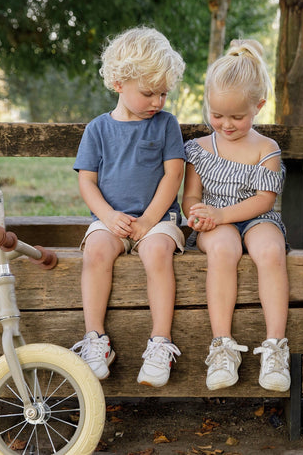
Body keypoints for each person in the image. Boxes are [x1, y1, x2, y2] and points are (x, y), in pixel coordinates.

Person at [71, 26, 186, 388]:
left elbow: (173, 176)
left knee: (156, 254)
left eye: (164, 93)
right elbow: (87, 181)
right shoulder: (98, 129)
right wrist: (107, 216)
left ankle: (160, 342)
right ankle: (95, 340)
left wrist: (149, 221)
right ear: (119, 82)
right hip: (111, 219)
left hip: (159, 220)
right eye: (149, 93)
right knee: (96, 251)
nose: (158, 102)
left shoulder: (166, 125)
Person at [182, 39, 291, 392]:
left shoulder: (266, 148)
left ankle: (276, 347)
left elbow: (264, 200)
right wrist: (197, 215)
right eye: (217, 115)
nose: (226, 124)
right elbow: (192, 196)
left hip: (255, 216)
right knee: (224, 250)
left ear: (258, 106)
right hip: (215, 223)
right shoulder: (200, 149)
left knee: (270, 252)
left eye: (237, 117)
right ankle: (222, 346)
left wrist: (222, 213)